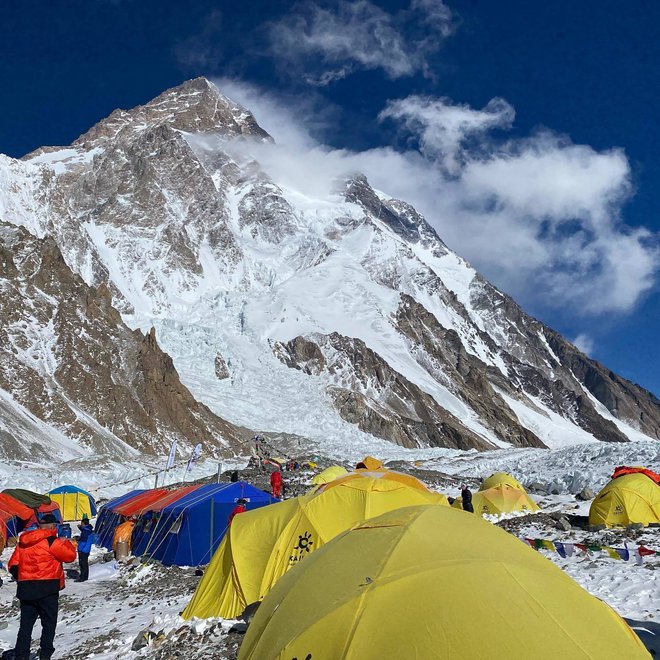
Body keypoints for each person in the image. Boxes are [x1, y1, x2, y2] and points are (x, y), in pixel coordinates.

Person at [8, 513, 76, 660]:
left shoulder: (23, 542)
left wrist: (23, 578)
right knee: (48, 624)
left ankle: (21, 655)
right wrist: (66, 542)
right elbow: (70, 557)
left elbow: (12, 565)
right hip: (48, 588)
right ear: (53, 526)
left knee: (25, 626)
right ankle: (45, 655)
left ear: (40, 525)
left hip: (26, 589)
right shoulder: (52, 541)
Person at [75, 515, 94, 582]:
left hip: (83, 549)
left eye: (81, 523)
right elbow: (83, 529)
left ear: (83, 523)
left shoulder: (85, 531)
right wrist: (80, 528)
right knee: (84, 563)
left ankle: (83, 577)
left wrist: (79, 549)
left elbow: (83, 541)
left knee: (83, 564)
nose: (81, 524)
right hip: (86, 549)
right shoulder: (88, 529)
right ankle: (84, 577)